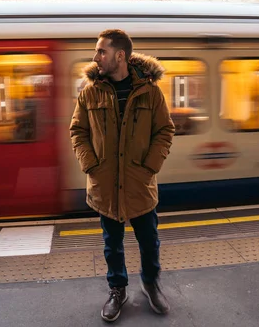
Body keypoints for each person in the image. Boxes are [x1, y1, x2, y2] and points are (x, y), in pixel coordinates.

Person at [69, 29, 175, 322]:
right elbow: (78, 130)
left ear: (120, 56)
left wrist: (149, 166)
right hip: (104, 184)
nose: (96, 57)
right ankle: (118, 289)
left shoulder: (150, 92)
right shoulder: (90, 92)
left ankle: (151, 283)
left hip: (139, 183)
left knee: (149, 240)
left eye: (101, 51)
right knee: (111, 244)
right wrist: (91, 164)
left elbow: (165, 130)